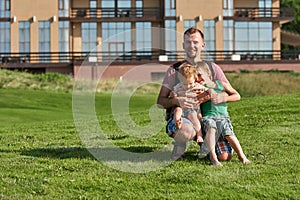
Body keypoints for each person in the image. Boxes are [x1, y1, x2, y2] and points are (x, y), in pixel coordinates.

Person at [157, 27, 243, 164]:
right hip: (185, 119)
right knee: (186, 131)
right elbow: (160, 101)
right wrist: (176, 101)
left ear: (202, 45)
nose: (192, 46)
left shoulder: (212, 68)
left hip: (210, 119)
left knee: (225, 157)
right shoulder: (174, 70)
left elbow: (234, 94)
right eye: (188, 42)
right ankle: (180, 145)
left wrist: (222, 98)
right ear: (183, 45)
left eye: (195, 42)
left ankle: (207, 145)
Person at [197, 63, 250, 166]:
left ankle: (242, 156)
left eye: (200, 75)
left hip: (223, 117)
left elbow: (237, 96)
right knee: (211, 133)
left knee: (229, 134)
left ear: (208, 74)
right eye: (196, 76)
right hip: (208, 117)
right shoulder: (199, 89)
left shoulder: (221, 84)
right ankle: (214, 159)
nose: (198, 78)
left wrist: (223, 98)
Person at [170, 63, 206, 144]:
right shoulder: (178, 87)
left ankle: (199, 134)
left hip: (192, 109)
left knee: (196, 119)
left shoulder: (197, 86)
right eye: (185, 84)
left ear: (195, 79)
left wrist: (203, 92)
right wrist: (173, 95)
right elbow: (172, 93)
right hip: (182, 108)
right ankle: (177, 123)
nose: (188, 86)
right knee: (177, 110)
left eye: (190, 83)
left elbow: (208, 91)